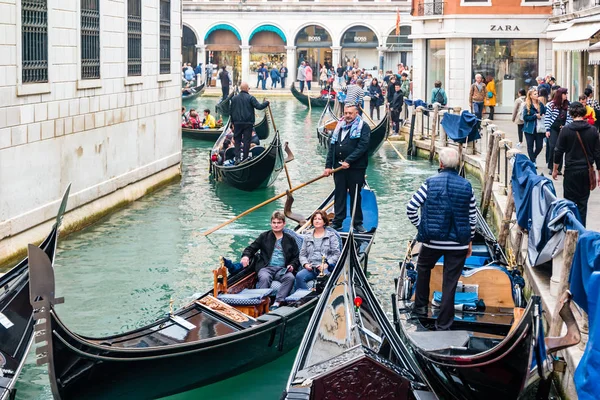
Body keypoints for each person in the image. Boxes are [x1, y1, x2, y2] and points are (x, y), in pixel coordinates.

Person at [406, 147, 476, 330]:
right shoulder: (467, 186)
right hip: (459, 243)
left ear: (441, 164)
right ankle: (444, 324)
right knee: (450, 281)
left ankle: (420, 309)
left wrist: (422, 228)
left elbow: (411, 208)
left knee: (422, 268)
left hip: (432, 241)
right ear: (457, 164)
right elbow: (472, 217)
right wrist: (470, 241)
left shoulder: (430, 183)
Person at [324, 104, 370, 233]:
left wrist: (349, 160)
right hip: (338, 168)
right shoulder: (339, 126)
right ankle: (338, 222)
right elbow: (332, 147)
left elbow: (363, 146)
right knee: (339, 194)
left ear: (356, 113)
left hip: (356, 168)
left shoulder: (363, 127)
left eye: (350, 113)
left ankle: (357, 223)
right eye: (346, 113)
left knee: (355, 195)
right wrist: (328, 166)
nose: (347, 115)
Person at [240, 211, 300, 310]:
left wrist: (292, 265)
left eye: (279, 223)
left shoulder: (290, 239)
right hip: (266, 267)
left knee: (290, 278)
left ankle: (277, 303)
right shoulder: (264, 236)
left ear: (284, 224)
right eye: (274, 223)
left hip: (282, 269)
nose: (276, 225)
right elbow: (251, 248)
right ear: (271, 223)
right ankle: (261, 304)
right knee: (264, 277)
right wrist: (246, 256)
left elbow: (296, 257)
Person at [553, 102, 600, 227]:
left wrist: (555, 169)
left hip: (571, 171)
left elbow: (558, 151)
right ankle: (581, 231)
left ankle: (570, 230)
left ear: (571, 113)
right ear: (584, 113)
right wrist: (599, 174)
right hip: (586, 171)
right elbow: (597, 154)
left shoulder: (566, 130)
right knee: (583, 204)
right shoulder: (593, 130)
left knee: (569, 203)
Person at [295, 210, 342, 290]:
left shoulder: (331, 236)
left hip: (325, 268)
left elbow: (336, 254)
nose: (316, 221)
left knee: (325, 279)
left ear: (324, 222)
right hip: (311, 268)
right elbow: (302, 254)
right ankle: (304, 298)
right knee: (299, 276)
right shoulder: (307, 236)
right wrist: (305, 264)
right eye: (315, 219)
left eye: (319, 219)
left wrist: (326, 264)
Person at [229, 82, 270, 162]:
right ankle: (245, 158)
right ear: (247, 88)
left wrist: (232, 123)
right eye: (249, 88)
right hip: (248, 123)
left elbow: (230, 112)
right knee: (247, 141)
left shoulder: (234, 99)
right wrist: (267, 103)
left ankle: (237, 158)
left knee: (237, 140)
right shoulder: (250, 98)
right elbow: (259, 107)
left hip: (237, 123)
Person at [545, 87, 572, 175]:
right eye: (565, 94)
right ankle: (551, 167)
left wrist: (566, 126)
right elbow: (548, 118)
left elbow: (570, 117)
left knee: (560, 148)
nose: (566, 95)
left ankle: (558, 168)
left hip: (563, 128)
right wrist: (547, 129)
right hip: (553, 128)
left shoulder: (569, 105)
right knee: (553, 146)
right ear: (561, 95)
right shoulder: (550, 105)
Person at [522, 88, 546, 163]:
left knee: (539, 146)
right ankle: (532, 161)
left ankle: (533, 158)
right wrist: (535, 116)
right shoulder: (527, 105)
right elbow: (525, 117)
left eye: (537, 93)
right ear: (531, 96)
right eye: (535, 94)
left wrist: (542, 115)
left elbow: (544, 113)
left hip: (539, 129)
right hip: (529, 129)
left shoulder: (540, 104)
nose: (537, 95)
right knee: (530, 146)